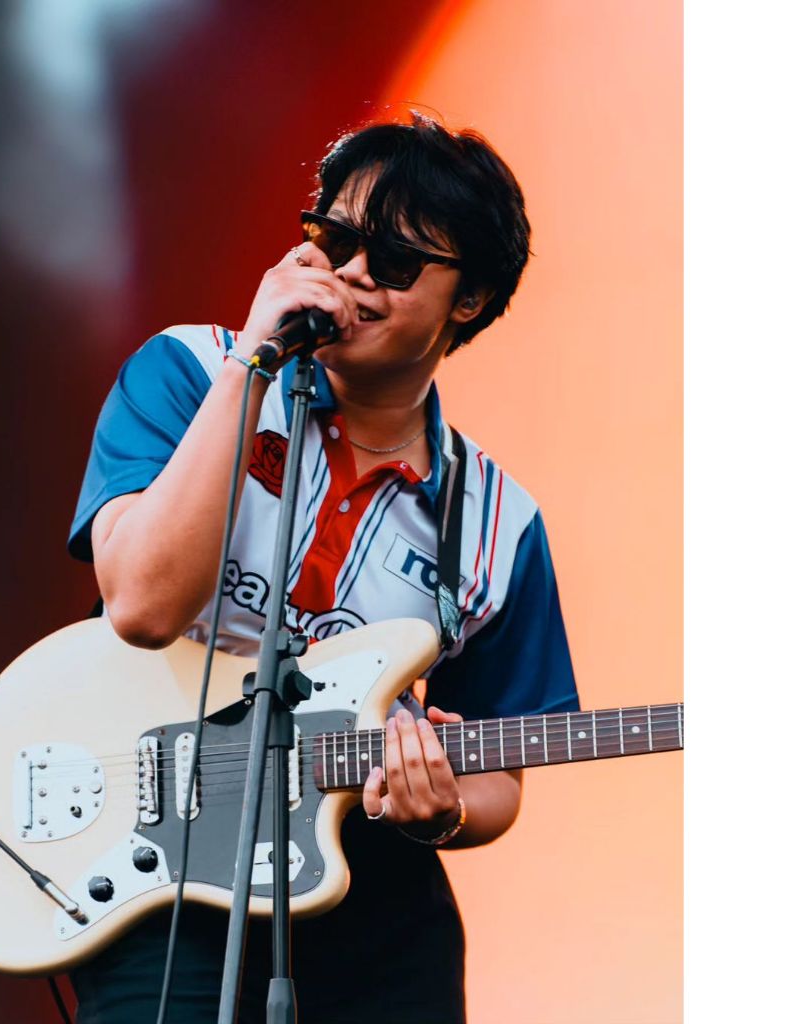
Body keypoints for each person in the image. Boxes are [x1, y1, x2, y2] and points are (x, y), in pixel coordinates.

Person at [67, 113, 579, 1023]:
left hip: (364, 876)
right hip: (159, 860)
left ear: (468, 299)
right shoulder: (190, 372)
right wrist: (253, 364)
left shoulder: (501, 522)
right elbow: (141, 605)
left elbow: (502, 771)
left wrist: (444, 811)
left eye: (395, 261)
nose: (352, 273)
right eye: (336, 241)